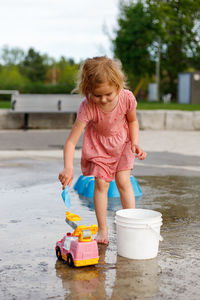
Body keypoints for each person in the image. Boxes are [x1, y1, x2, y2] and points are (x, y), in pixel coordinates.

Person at [58, 56, 146, 244]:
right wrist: (68, 168)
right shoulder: (88, 106)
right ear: (88, 90)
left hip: (123, 144)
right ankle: (103, 230)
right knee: (101, 184)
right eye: (98, 95)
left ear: (118, 85)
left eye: (108, 94)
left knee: (123, 181)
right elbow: (71, 142)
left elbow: (132, 121)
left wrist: (135, 142)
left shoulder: (127, 98)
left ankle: (129, 225)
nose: (103, 100)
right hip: (99, 148)